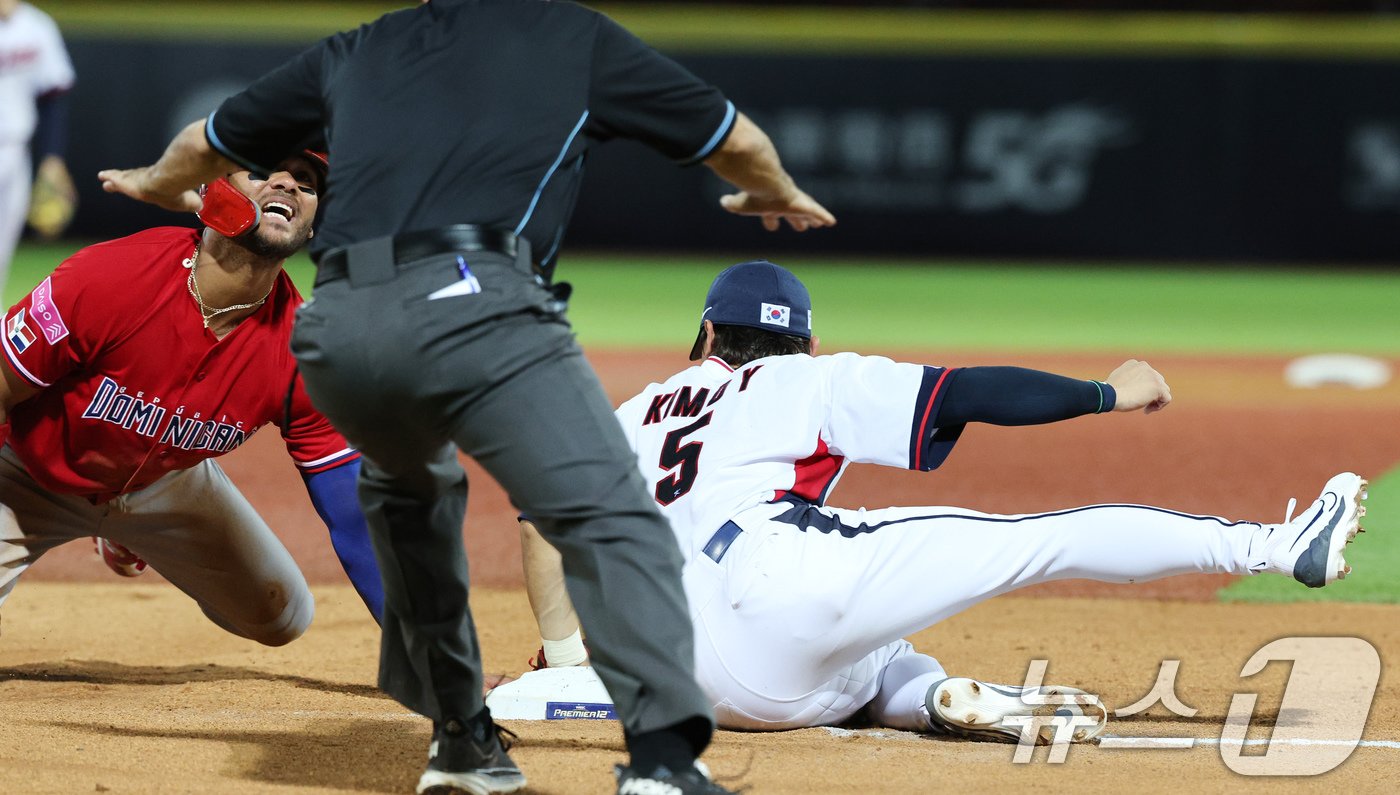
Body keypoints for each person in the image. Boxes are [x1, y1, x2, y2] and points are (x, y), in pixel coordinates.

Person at [96, 2, 834, 793]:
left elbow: (202, 144)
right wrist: (773, 189)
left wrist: (149, 182)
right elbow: (737, 141)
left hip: (341, 320)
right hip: (482, 293)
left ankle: (462, 746)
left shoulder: (360, 45)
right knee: (608, 509)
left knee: (415, 516)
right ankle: (660, 762)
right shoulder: (571, 36)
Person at [517, 258, 1369, 743]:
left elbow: (542, 522)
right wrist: (1106, 392)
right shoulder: (809, 376)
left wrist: (561, 656)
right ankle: (1275, 544)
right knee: (1043, 538)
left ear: (704, 334)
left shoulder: (627, 412)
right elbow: (965, 391)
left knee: (883, 650)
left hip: (683, 679)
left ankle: (933, 698)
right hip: (780, 591)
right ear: (803, 341)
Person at [0, 152, 386, 654]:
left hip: (166, 481)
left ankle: (129, 532)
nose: (288, 185)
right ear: (214, 193)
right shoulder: (112, 276)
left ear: (314, 228)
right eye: (263, 171)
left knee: (284, 616)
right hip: (26, 473)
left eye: (309, 183)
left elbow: (351, 507)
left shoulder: (305, 349)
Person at [0, 0, 76, 293]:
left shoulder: (37, 26)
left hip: (16, 150)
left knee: (4, 245)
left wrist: (52, 157)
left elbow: (52, 96)